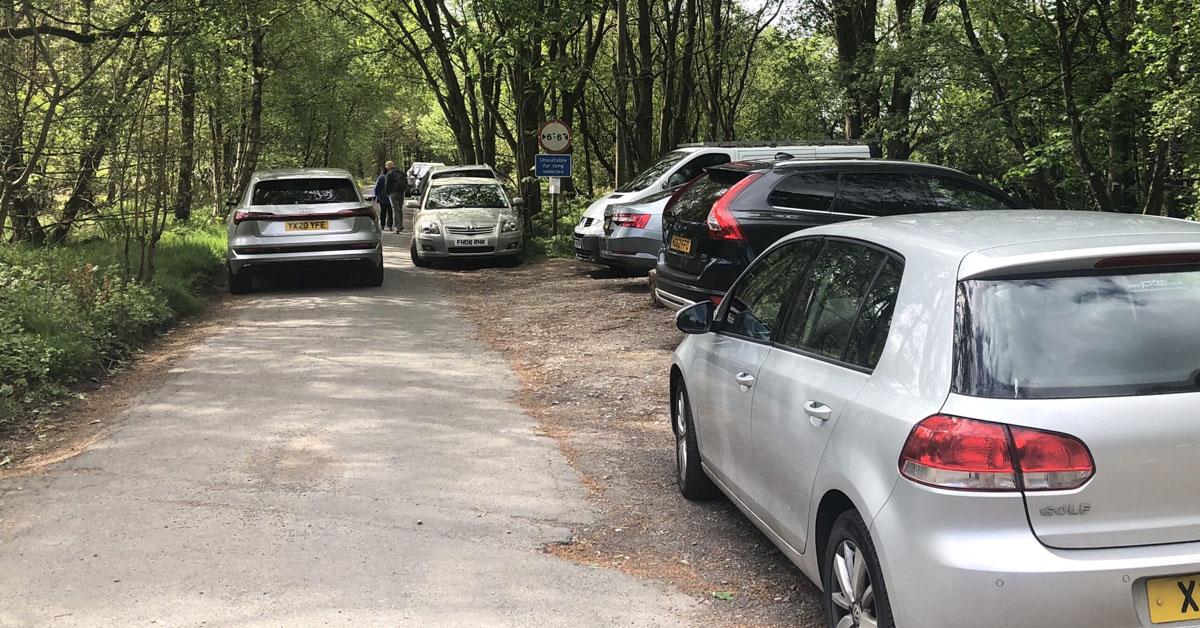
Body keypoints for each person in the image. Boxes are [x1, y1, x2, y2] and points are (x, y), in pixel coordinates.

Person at [383, 160, 407, 233]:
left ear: (388, 166)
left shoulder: (389, 173)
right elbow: (406, 181)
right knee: (400, 209)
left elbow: (386, 185)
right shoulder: (400, 172)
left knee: (395, 210)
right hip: (401, 193)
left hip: (393, 194)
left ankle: (397, 227)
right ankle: (401, 226)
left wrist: (388, 193)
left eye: (386, 166)